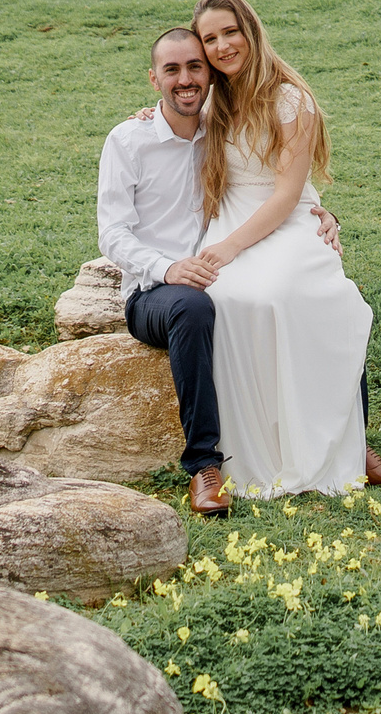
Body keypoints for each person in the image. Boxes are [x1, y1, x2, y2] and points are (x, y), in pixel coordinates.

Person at [96, 26, 338, 516]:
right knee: (192, 306)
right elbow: (112, 234)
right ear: (154, 79)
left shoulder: (220, 130)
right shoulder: (129, 140)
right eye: (171, 70)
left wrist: (322, 216)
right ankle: (204, 465)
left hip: (221, 268)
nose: (184, 79)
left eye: (194, 68)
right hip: (154, 293)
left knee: (316, 289)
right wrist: (168, 268)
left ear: (209, 76)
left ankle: (349, 443)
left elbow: (269, 183)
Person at [190, 0, 381, 499]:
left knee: (294, 295)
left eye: (230, 32)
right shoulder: (210, 98)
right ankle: (257, 449)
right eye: (210, 39)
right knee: (226, 298)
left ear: (251, 31)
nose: (222, 46)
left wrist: (230, 248)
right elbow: (169, 120)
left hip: (288, 217)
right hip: (229, 214)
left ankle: (350, 444)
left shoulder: (291, 99)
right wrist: (147, 116)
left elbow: (287, 193)